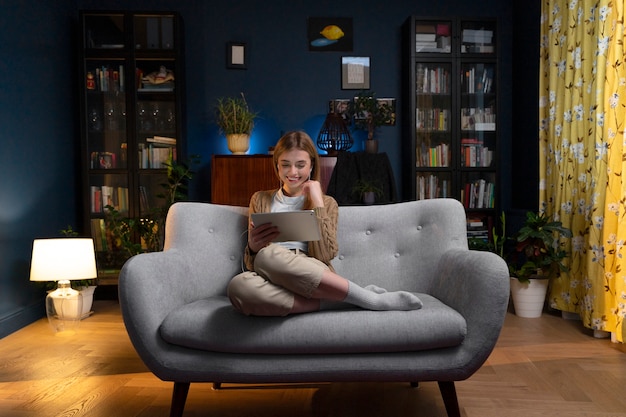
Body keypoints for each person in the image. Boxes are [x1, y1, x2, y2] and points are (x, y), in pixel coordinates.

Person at [227, 131, 422, 316]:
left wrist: (318, 202)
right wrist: (252, 247)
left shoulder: (327, 203)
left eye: (300, 165)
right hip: (271, 275)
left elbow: (326, 254)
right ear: (276, 165)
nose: (292, 172)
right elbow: (252, 264)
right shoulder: (260, 199)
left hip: (312, 272)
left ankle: (372, 300)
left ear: (311, 165)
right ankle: (345, 300)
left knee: (267, 255)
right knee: (238, 286)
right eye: (285, 164)